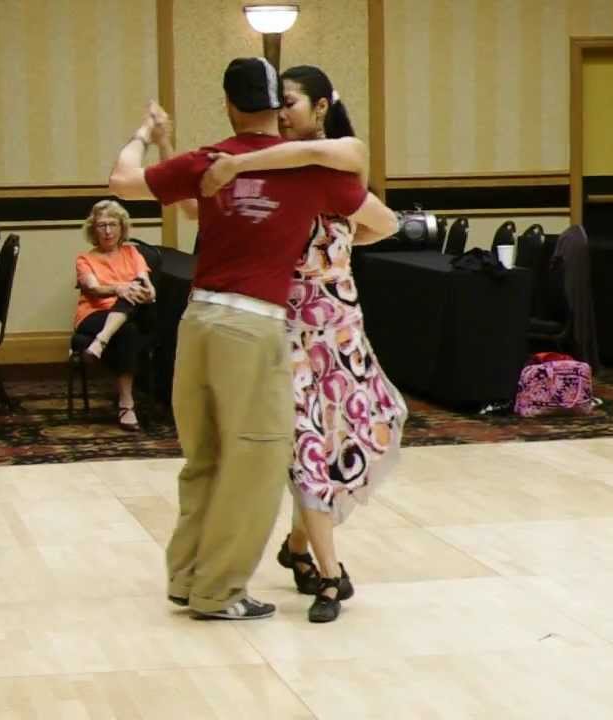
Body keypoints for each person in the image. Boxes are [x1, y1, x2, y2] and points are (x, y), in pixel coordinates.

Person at [108, 57, 397, 620]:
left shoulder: (212, 160)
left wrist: (147, 135)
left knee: (205, 458)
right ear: (278, 108)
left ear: (228, 104)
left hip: (197, 318)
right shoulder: (316, 170)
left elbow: (125, 182)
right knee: (259, 461)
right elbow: (377, 207)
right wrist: (331, 258)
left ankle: (188, 578)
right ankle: (219, 592)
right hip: (256, 324)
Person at [200, 65, 408, 623]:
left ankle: (297, 548)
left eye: (289, 101)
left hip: (340, 326)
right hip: (287, 329)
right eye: (276, 101)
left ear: (320, 107)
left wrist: (334, 254)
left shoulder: (340, 157)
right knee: (306, 446)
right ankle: (332, 576)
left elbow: (384, 222)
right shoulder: (282, 175)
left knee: (350, 434)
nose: (280, 110)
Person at [73, 199, 156, 431]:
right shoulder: (85, 259)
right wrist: (120, 288)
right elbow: (94, 289)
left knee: (134, 293)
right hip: (94, 315)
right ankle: (126, 405)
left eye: (113, 224)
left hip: (129, 312)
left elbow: (146, 284)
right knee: (128, 329)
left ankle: (101, 342)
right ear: (93, 229)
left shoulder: (133, 253)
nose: (108, 231)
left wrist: (148, 291)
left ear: (122, 227)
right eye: (102, 225)